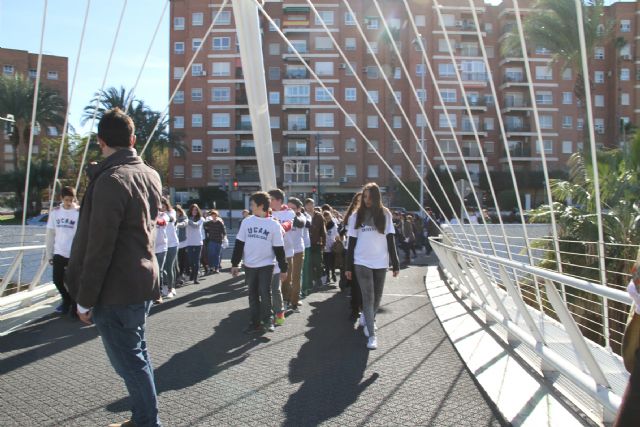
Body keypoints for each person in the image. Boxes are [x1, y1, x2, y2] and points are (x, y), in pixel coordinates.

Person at [65, 108, 162, 427]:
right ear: (133, 140)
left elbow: (99, 246)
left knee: (129, 363)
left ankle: (148, 422)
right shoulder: (150, 174)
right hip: (143, 280)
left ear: (100, 141)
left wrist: (84, 297)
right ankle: (143, 418)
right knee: (138, 355)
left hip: (116, 288)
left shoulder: (110, 180)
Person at [346, 183, 400, 350]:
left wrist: (395, 263)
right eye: (365, 196)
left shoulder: (385, 214)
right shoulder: (356, 216)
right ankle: (372, 335)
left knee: (377, 297)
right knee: (368, 297)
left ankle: (366, 317)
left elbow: (390, 239)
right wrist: (348, 266)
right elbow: (351, 243)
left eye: (370, 197)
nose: (367, 200)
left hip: (381, 261)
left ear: (377, 197)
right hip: (361, 261)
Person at [231, 192, 288, 334]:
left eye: (252, 204)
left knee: (265, 292)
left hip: (267, 265)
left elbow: (279, 249)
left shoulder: (273, 225)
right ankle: (254, 323)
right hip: (249, 265)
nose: (250, 207)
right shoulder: (247, 222)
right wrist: (235, 264)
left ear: (261, 206)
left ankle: (268, 321)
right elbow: (239, 244)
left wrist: (284, 268)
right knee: (252, 294)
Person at [45, 186, 80, 317]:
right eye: (66, 200)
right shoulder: (55, 213)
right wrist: (49, 254)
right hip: (59, 252)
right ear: (61, 198)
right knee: (57, 280)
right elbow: (50, 234)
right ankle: (67, 300)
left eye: (71, 199)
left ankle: (75, 307)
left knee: (73, 282)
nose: (69, 202)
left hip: (74, 254)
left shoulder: (78, 213)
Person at [341, 192, 362, 319]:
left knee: (363, 283)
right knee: (354, 282)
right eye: (358, 201)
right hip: (350, 250)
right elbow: (343, 231)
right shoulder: (350, 216)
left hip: (364, 253)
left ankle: (363, 309)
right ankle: (355, 309)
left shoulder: (367, 215)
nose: (360, 203)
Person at [305, 198, 326, 290]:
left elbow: (323, 231)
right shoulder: (302, 215)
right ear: (305, 206)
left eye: (311, 204)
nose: (309, 206)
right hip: (306, 244)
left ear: (314, 205)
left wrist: (323, 244)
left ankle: (318, 278)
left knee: (318, 263)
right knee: (308, 264)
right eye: (307, 204)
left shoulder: (319, 216)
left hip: (317, 243)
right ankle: (311, 282)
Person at [163, 198, 179, 297]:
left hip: (172, 244)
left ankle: (171, 288)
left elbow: (172, 219)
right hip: (161, 245)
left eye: (163, 205)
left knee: (169, 266)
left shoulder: (171, 212)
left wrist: (163, 216)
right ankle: (165, 285)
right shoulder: (156, 212)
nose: (161, 207)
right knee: (162, 268)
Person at [186, 204, 205, 284]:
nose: (194, 211)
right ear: (190, 210)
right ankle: (192, 273)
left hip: (198, 242)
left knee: (196, 261)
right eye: (193, 210)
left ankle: (195, 278)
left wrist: (187, 221)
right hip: (189, 242)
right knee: (190, 260)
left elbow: (196, 225)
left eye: (196, 210)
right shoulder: (186, 218)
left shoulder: (201, 219)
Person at [204, 209, 226, 274]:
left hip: (219, 241)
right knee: (211, 254)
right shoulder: (209, 222)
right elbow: (204, 226)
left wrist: (223, 238)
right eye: (212, 215)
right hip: (211, 241)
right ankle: (211, 267)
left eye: (215, 215)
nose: (214, 216)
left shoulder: (220, 223)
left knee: (217, 255)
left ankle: (216, 268)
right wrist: (207, 229)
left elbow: (224, 232)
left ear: (217, 215)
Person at [154, 208, 169, 305]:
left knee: (159, 270)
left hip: (162, 247)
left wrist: (152, 218)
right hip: (151, 247)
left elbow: (163, 223)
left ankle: (158, 294)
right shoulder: (147, 213)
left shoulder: (164, 215)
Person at [323, 210, 338, 284]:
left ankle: (333, 273)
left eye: (329, 218)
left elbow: (336, 235)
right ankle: (328, 277)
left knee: (332, 261)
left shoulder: (333, 225)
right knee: (326, 263)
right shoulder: (322, 226)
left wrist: (338, 243)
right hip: (325, 246)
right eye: (326, 218)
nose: (327, 220)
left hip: (332, 246)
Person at [175, 205, 189, 284]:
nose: (177, 213)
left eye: (178, 211)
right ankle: (178, 276)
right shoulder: (172, 218)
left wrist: (176, 224)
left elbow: (184, 224)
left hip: (183, 242)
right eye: (176, 212)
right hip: (174, 243)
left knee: (182, 260)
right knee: (177, 261)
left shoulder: (184, 218)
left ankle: (182, 275)